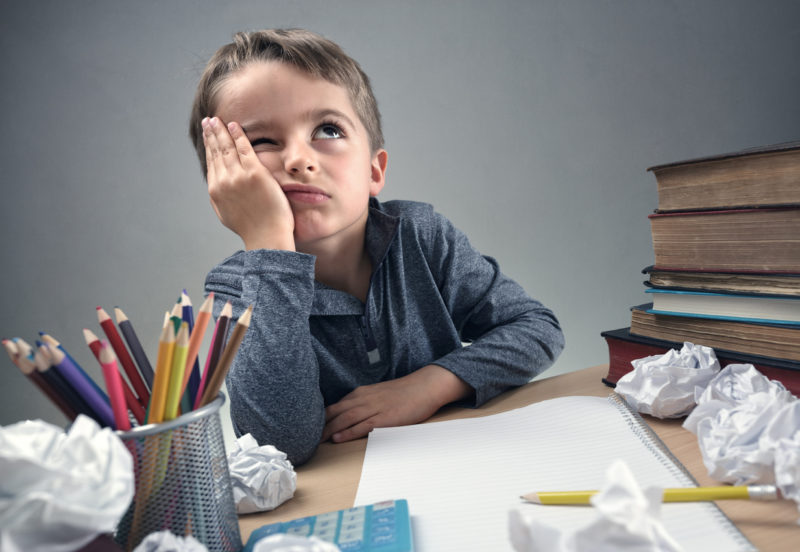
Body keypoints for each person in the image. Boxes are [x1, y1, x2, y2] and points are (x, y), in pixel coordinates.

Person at [188, 29, 564, 465]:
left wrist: (431, 384)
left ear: (374, 171)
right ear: (224, 185)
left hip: (460, 460)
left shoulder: (420, 235)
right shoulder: (236, 288)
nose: (298, 159)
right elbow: (279, 443)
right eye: (260, 142)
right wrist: (269, 247)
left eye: (327, 130)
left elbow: (537, 328)